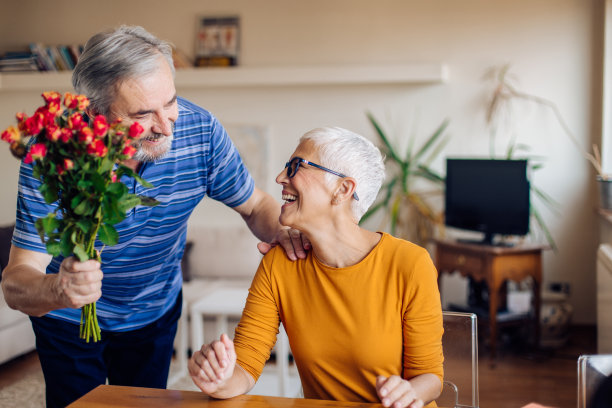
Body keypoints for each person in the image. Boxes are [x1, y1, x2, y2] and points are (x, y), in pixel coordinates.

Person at [0, 25, 306, 408]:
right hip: (67, 319)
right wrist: (59, 290)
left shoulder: (200, 131)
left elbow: (255, 205)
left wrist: (286, 233)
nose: (165, 126)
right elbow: (16, 281)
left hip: (154, 311)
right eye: (143, 113)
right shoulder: (55, 153)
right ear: (93, 113)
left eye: (171, 102)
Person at [189, 127, 444, 408]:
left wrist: (408, 392)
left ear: (343, 189)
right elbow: (246, 364)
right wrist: (221, 379)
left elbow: (430, 376)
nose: (280, 177)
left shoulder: (409, 264)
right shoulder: (280, 263)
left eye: (297, 166)